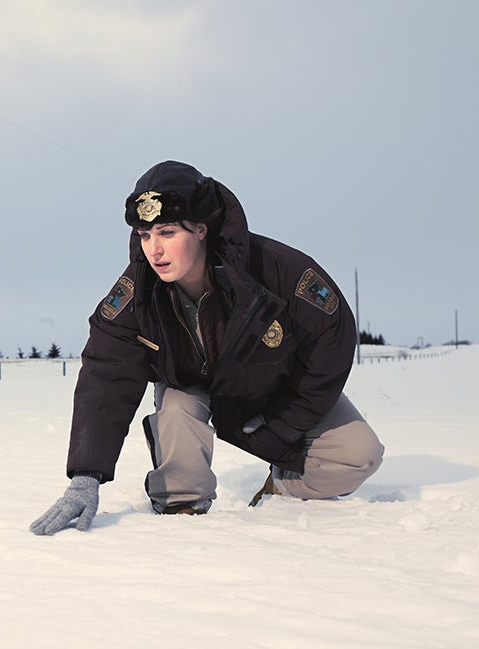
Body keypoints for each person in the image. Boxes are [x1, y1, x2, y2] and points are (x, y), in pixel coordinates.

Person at [30, 160, 383, 535]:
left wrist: (282, 427)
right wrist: (86, 476)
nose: (154, 250)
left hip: (275, 390)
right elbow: (106, 373)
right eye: (145, 235)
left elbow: (330, 344)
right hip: (190, 388)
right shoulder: (136, 292)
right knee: (178, 410)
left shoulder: (278, 270)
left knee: (359, 455)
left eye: (167, 232)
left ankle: (281, 489)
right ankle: (182, 512)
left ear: (201, 228)